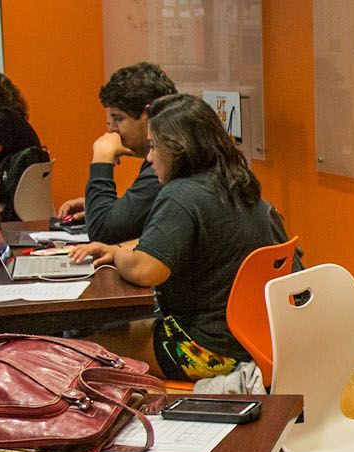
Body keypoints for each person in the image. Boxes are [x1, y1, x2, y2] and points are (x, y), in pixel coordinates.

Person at [67, 94, 286, 387]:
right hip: (250, 340)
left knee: (80, 346)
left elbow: (146, 271)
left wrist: (119, 256)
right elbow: (180, 245)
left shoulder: (180, 195)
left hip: (205, 349)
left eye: (154, 146)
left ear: (177, 148)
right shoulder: (237, 185)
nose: (149, 157)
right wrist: (119, 248)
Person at [54, 62, 181, 243]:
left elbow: (103, 233)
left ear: (149, 114)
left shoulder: (168, 163)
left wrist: (101, 159)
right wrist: (101, 207)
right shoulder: (166, 153)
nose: (113, 130)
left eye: (119, 119)